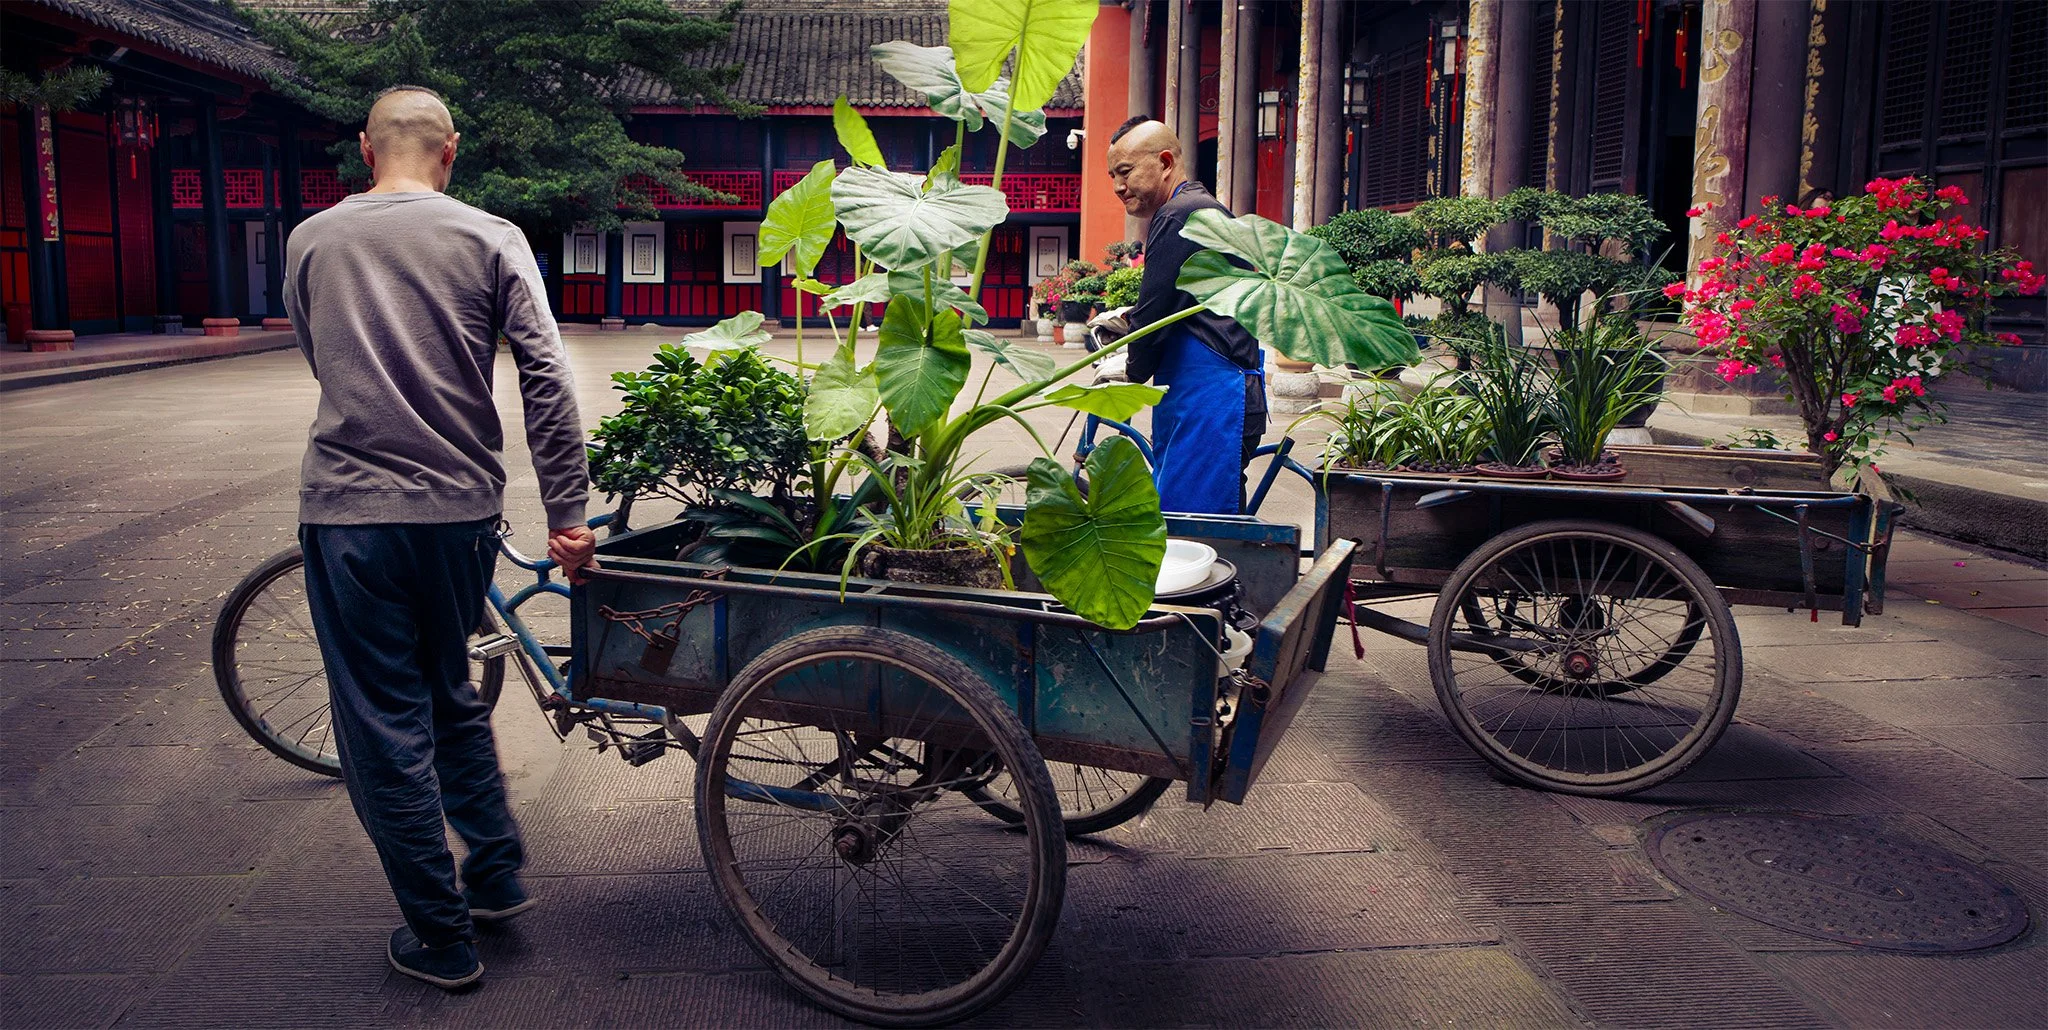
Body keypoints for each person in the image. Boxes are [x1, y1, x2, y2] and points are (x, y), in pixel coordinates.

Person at [283, 85, 597, 990]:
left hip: (351, 514)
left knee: (384, 724)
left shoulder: (313, 239)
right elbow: (547, 377)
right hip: (461, 514)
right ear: (450, 150)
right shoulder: (491, 237)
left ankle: (442, 936)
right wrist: (567, 514)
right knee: (449, 686)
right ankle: (493, 871)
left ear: (364, 149)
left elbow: (319, 351)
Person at [1105, 116, 1267, 514]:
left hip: (1213, 392)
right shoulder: (1199, 209)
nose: (1117, 187)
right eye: (1112, 176)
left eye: (1125, 172)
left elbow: (1155, 309)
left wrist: (1131, 368)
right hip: (1212, 389)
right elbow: (1177, 300)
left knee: (1194, 526)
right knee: (1200, 520)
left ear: (1164, 162)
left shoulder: (1181, 213)